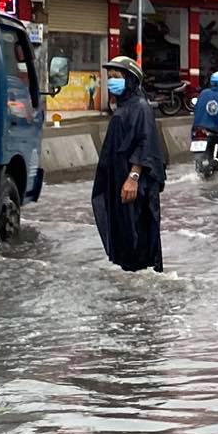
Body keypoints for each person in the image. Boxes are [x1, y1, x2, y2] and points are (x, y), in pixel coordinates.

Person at [91, 56, 166, 273]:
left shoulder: (140, 107)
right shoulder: (125, 106)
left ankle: (141, 281)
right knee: (124, 235)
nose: (111, 81)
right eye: (109, 77)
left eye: (117, 77)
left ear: (131, 80)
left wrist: (133, 177)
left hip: (133, 185)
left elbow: (145, 143)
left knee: (137, 236)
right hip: (120, 181)